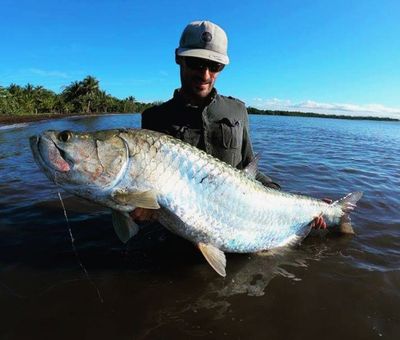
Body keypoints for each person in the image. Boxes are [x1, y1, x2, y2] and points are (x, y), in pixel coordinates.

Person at [132, 20, 327, 229]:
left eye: (214, 66)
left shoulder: (237, 110)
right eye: (196, 63)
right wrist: (136, 208)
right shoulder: (154, 117)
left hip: (236, 222)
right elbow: (145, 186)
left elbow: (249, 169)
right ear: (179, 58)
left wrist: (296, 205)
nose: (205, 75)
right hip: (179, 231)